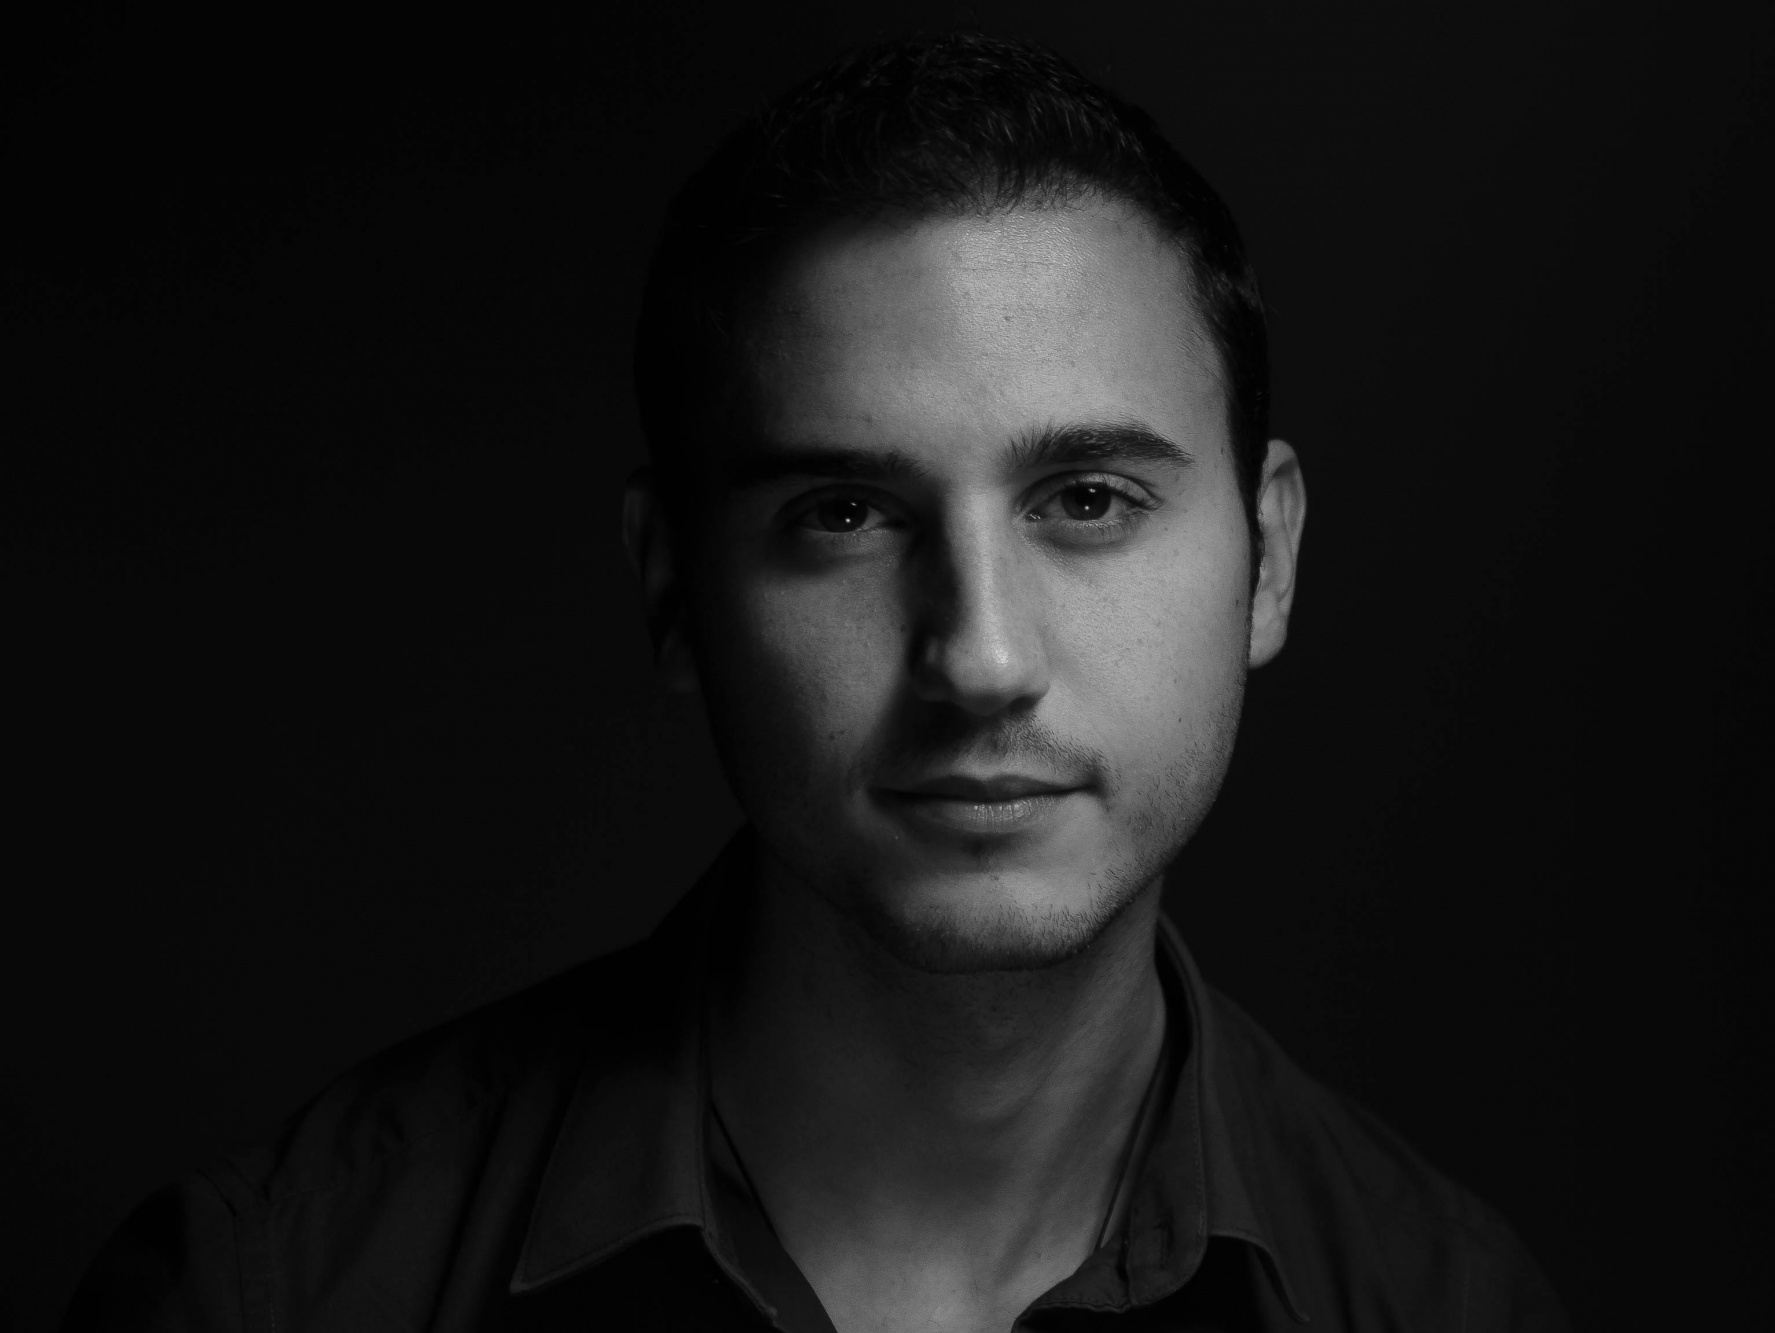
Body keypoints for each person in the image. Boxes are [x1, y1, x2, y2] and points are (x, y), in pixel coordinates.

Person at [64, 33, 1567, 1333]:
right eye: (847, 515)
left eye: (1088, 500)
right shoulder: (275, 1290)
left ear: (1270, 558)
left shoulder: (1445, 1305)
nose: (983, 658)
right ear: (674, 590)